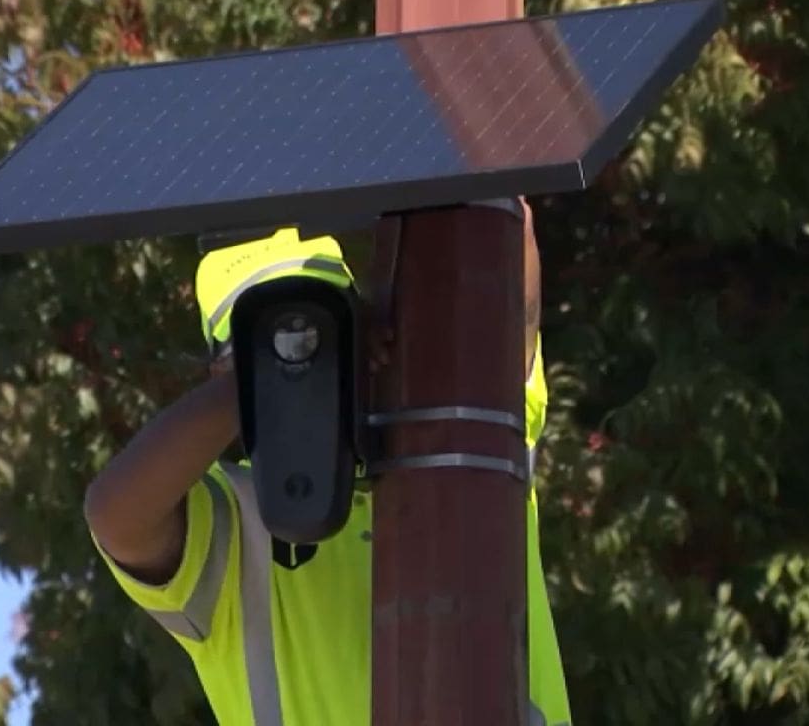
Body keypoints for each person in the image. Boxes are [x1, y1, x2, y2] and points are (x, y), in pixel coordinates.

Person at [84, 202, 572, 726]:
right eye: (272, 347)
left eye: (319, 337)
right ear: (223, 376)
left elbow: (503, 226)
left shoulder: (459, 425)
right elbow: (116, 516)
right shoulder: (234, 529)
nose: (304, 365)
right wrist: (255, 379)